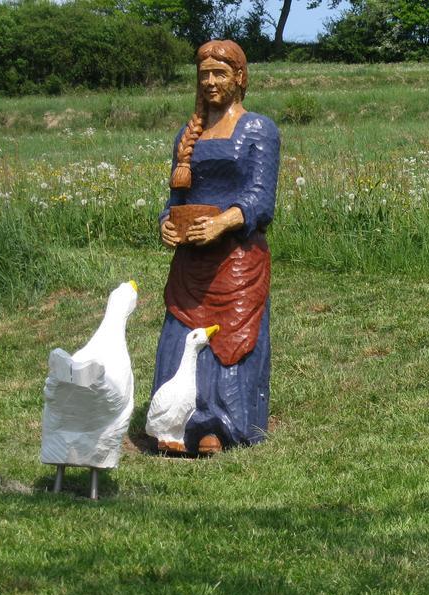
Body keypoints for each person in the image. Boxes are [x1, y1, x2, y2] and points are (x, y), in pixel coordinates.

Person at [152, 40, 280, 455]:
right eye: (204, 74)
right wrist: (166, 225)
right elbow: (174, 202)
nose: (210, 81)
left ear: (239, 78)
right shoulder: (186, 137)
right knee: (180, 341)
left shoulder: (259, 129)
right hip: (191, 262)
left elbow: (261, 199)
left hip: (236, 260)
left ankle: (222, 427)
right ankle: (176, 424)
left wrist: (223, 222)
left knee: (229, 343)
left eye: (219, 73)